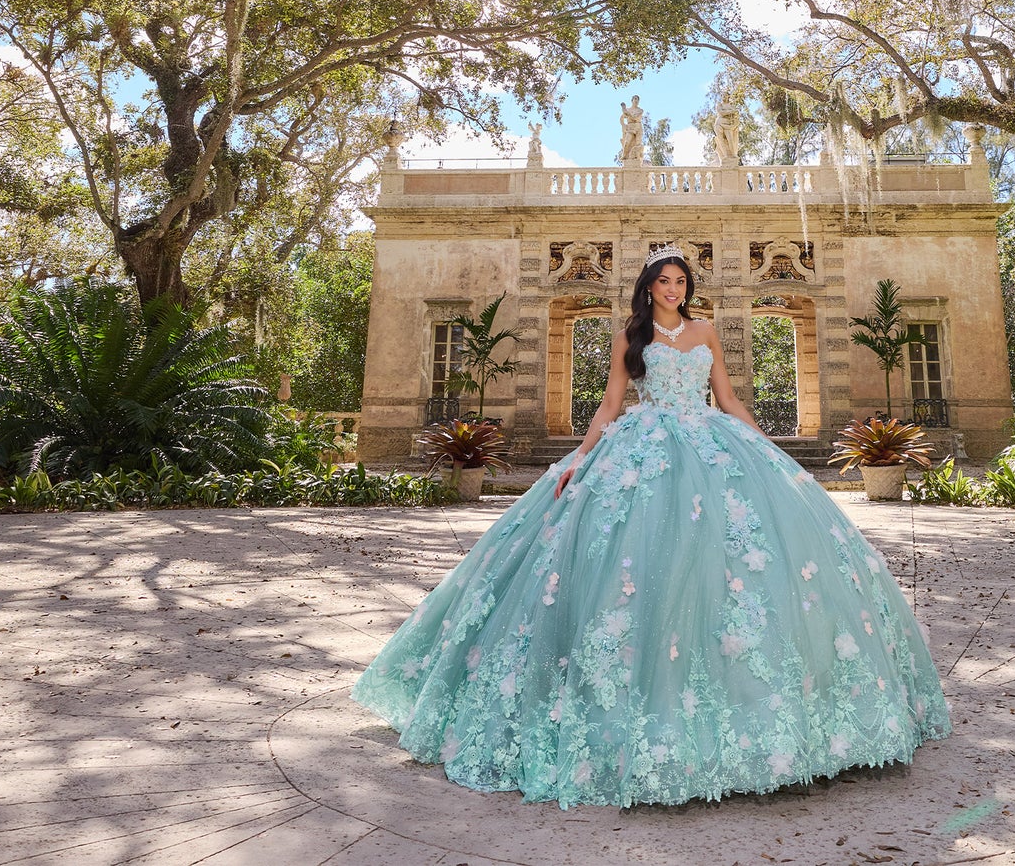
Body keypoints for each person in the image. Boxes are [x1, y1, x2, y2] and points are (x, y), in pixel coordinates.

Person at [351, 244, 952, 808]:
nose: (672, 289)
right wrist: (580, 457)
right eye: (663, 281)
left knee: (736, 561)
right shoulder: (629, 338)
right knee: (637, 560)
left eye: (680, 281)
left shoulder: (705, 331)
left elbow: (727, 400)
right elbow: (611, 405)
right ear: (647, 287)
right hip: (645, 446)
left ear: (688, 288)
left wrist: (768, 449)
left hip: (710, 445)